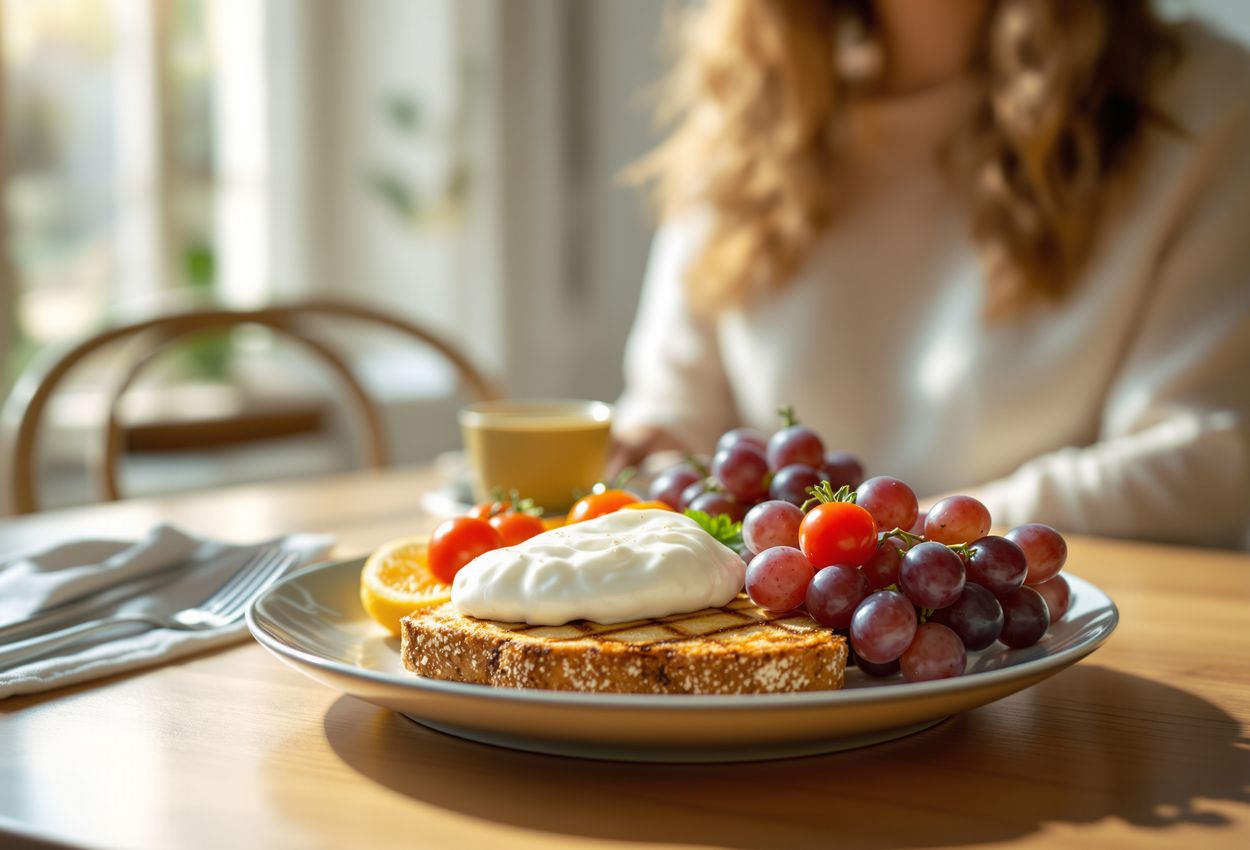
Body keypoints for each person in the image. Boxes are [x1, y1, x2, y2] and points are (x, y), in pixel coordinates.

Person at [611, 0, 1250, 549]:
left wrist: (894, 547)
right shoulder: (743, 121)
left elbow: (1210, 463)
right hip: (786, 661)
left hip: (1055, 655)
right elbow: (672, 434)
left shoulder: (1203, 107)